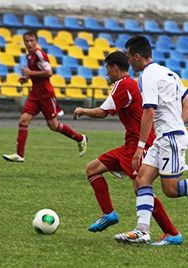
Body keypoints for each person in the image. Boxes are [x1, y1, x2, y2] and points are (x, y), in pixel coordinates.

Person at [73, 51, 183, 246]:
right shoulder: (134, 83)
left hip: (138, 145)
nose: (106, 73)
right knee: (93, 169)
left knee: (143, 185)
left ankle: (170, 232)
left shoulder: (122, 85)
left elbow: (103, 112)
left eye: (107, 69)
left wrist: (83, 111)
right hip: (132, 143)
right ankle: (109, 213)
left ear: (115, 68)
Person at [114, 36, 188, 245]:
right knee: (141, 181)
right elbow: (187, 101)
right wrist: (179, 123)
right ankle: (142, 231)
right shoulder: (169, 72)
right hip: (166, 137)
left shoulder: (147, 76)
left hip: (170, 139)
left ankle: (166, 235)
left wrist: (139, 147)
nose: (128, 61)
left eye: (129, 57)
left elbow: (148, 111)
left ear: (137, 56)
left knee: (170, 190)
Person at [3, 31, 87, 162]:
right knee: (23, 120)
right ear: (24, 42)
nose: (29, 43)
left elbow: (48, 72)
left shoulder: (39, 54)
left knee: (53, 126)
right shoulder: (29, 56)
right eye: (27, 41)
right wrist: (26, 78)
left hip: (46, 95)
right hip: (34, 94)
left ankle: (80, 138)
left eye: (32, 41)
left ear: (36, 41)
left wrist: (30, 72)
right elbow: (36, 72)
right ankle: (20, 155)